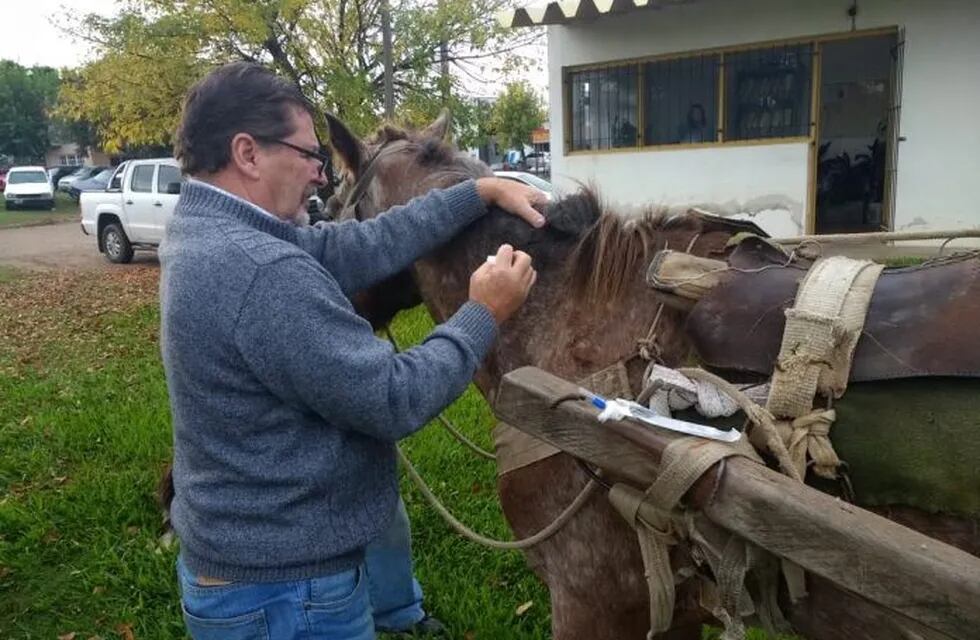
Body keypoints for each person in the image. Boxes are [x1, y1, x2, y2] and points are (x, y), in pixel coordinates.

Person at [161, 61, 545, 639]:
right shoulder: (261, 272)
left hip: (253, 566)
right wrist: (483, 313)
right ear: (248, 153)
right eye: (310, 155)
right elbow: (393, 398)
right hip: (287, 594)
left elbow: (357, 243)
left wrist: (476, 192)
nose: (320, 176)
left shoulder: (210, 231)